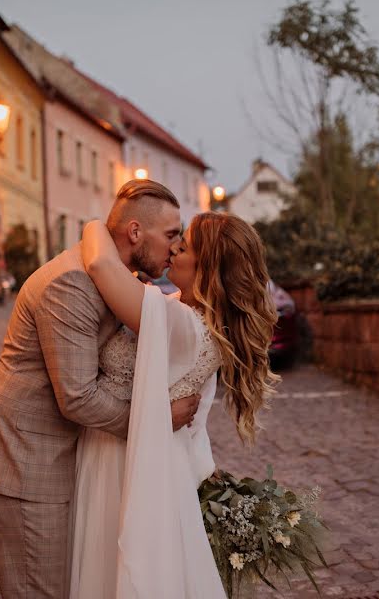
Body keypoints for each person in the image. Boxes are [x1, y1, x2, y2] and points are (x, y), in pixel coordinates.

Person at [0, 179, 201, 599]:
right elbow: (78, 397)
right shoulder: (70, 284)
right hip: (22, 466)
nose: (174, 248)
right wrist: (159, 419)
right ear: (136, 232)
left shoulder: (106, 275)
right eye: (171, 235)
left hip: (46, 461)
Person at [70, 209, 280, 598]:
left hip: (125, 461)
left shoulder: (180, 322)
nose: (173, 251)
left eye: (183, 246)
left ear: (207, 267)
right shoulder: (206, 325)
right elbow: (195, 426)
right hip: (159, 463)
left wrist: (97, 223)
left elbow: (99, 260)